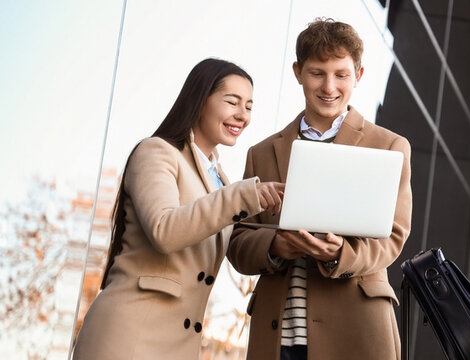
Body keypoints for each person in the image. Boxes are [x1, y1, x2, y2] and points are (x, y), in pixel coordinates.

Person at [72, 58, 285, 359]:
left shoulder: (220, 180)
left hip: (179, 345)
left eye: (249, 106)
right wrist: (244, 195)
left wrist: (283, 241)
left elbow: (228, 238)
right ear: (200, 100)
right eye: (232, 102)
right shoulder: (156, 151)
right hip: (129, 336)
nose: (243, 115)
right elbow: (164, 230)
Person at [226, 18, 412, 360]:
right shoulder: (261, 153)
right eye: (317, 73)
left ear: (358, 75)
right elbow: (237, 242)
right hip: (278, 333)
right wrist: (275, 245)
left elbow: (393, 237)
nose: (329, 86)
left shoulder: (389, 146)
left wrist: (341, 253)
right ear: (298, 72)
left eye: (341, 74)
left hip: (357, 330)